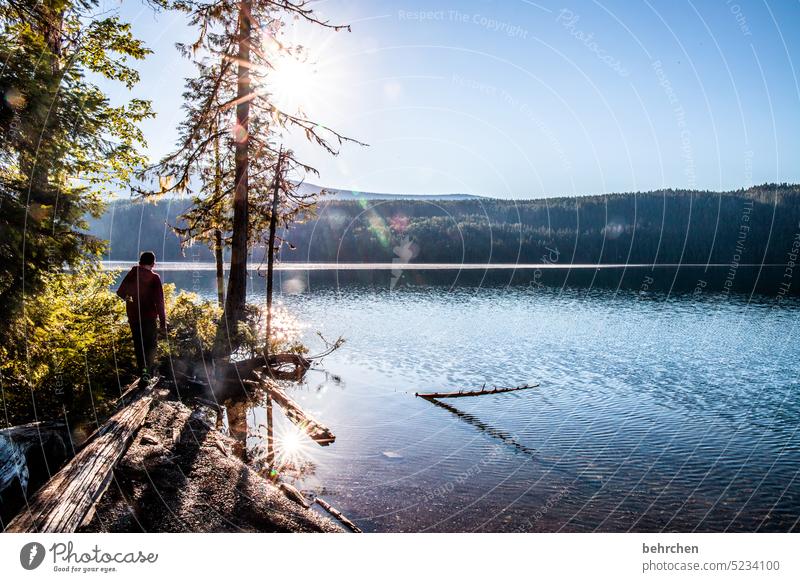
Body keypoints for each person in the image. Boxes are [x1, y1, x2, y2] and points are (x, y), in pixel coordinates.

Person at [116, 251, 167, 381]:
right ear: (153, 263)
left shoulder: (132, 274)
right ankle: (146, 373)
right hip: (149, 318)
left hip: (134, 318)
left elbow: (120, 292)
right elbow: (160, 302)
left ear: (140, 262)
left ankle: (143, 374)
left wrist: (132, 300)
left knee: (139, 347)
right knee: (151, 347)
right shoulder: (154, 278)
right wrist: (162, 323)